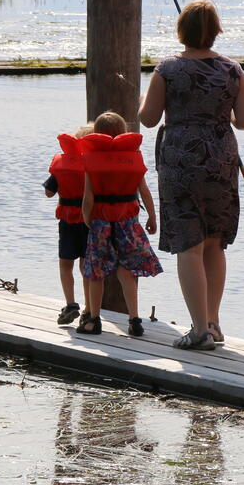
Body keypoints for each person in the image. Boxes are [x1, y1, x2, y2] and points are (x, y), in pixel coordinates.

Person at [138, 0, 244, 351]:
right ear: (216, 31)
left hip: (180, 160)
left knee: (188, 244)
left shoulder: (167, 69)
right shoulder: (233, 70)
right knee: (214, 242)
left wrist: (140, 98)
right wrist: (221, 118)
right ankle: (213, 323)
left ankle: (198, 329)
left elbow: (147, 118)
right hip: (220, 157)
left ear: (181, 31)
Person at [76, 110, 162, 337]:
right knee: (128, 272)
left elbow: (88, 197)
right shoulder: (132, 158)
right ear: (124, 132)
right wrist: (152, 217)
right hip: (128, 221)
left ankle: (93, 320)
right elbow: (144, 192)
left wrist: (87, 219)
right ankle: (134, 320)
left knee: (96, 273)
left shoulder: (92, 161)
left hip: (100, 222)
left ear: (97, 134)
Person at [44, 124, 94, 326]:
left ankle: (71, 304)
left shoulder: (61, 164)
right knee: (86, 266)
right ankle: (89, 308)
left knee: (66, 264)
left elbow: (48, 193)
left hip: (67, 220)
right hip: (89, 221)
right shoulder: (93, 165)